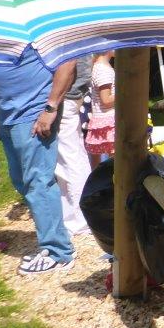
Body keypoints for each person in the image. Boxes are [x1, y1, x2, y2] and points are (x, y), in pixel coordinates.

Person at [0, 47, 77, 275]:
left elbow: (68, 62)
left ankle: (58, 253)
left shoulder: (37, 33)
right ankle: (55, 237)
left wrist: (51, 107)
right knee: (22, 180)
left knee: (38, 182)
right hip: (8, 114)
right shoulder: (8, 33)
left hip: (33, 114)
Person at [55, 55, 93, 237]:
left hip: (67, 93)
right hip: (71, 92)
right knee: (75, 155)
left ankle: (79, 220)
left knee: (68, 160)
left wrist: (52, 102)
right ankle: (80, 214)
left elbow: (69, 63)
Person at [84, 51, 116, 167]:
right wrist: (125, 92)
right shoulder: (104, 70)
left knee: (99, 165)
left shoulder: (99, 66)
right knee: (115, 163)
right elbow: (106, 100)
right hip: (108, 121)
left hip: (102, 121)